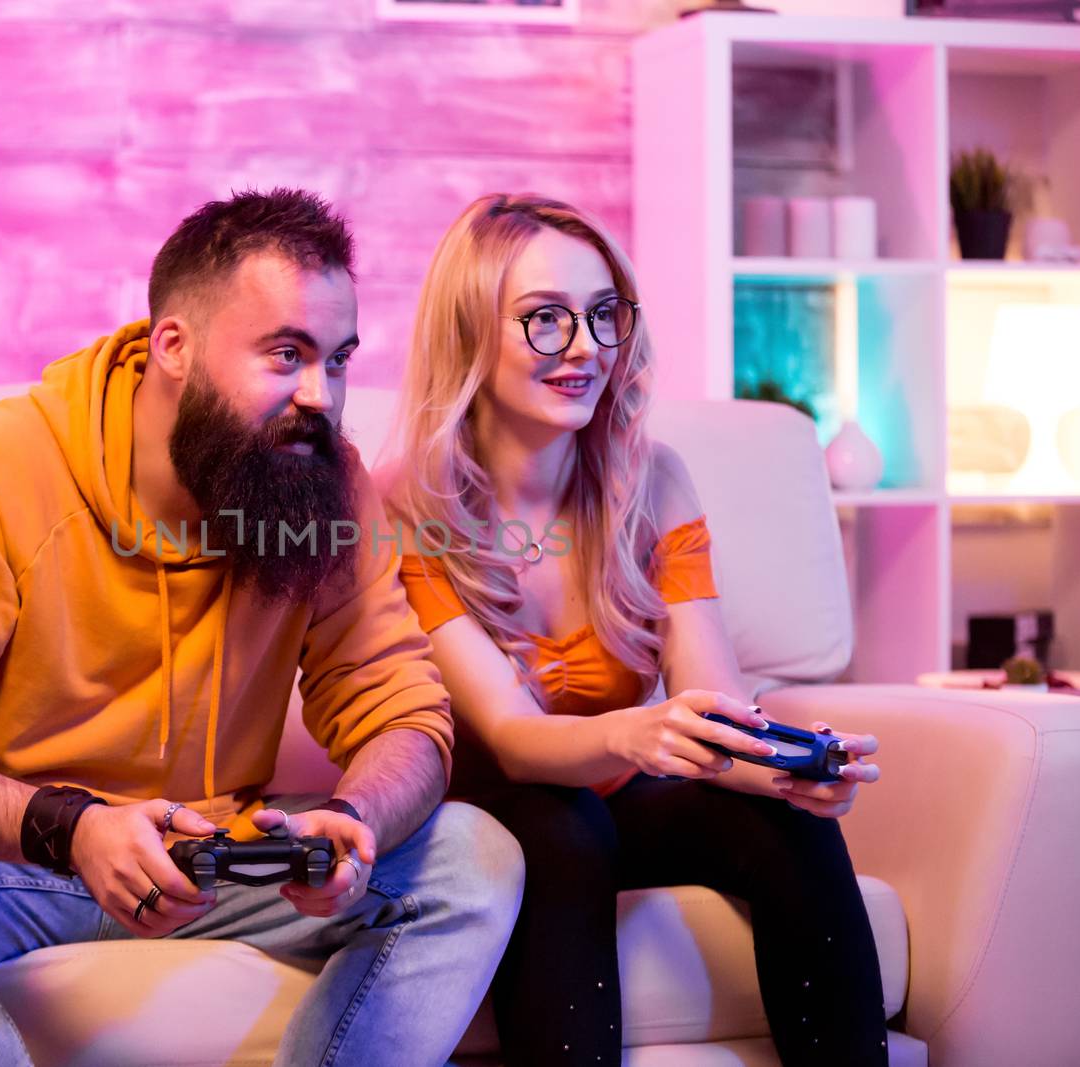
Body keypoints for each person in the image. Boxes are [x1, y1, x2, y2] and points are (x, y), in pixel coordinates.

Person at [0, 188, 523, 1067]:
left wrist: (354, 821)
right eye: (287, 354)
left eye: (339, 359)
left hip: (227, 861)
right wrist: (74, 826)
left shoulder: (325, 483)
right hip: (26, 856)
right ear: (175, 346)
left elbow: (404, 711)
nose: (323, 395)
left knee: (474, 855)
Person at [378, 193, 888, 1066]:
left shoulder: (654, 479)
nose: (585, 347)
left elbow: (712, 703)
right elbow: (510, 739)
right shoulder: (408, 501)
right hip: (488, 811)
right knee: (562, 826)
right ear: (469, 332)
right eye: (544, 319)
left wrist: (791, 770)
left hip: (612, 798)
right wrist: (641, 734)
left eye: (603, 315)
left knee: (791, 825)